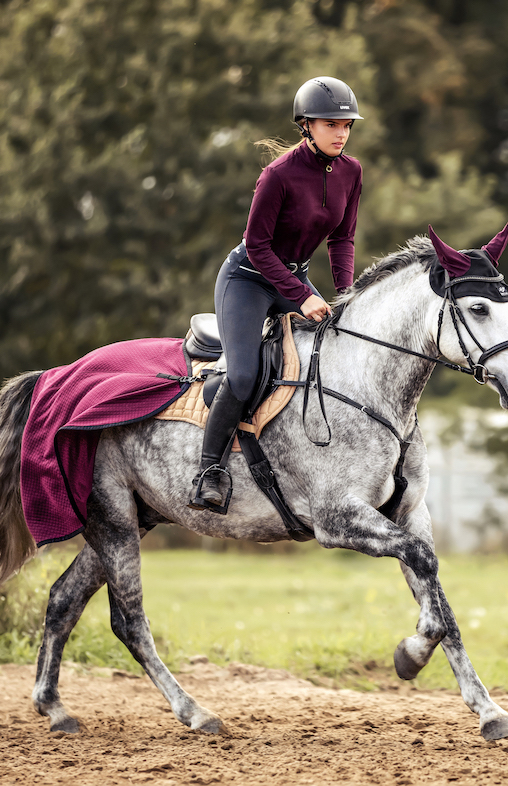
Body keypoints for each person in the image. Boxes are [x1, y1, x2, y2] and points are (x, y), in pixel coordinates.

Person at [189, 76, 364, 513]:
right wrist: (300, 296)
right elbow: (257, 246)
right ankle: (210, 470)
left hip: (294, 280)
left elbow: (342, 239)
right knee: (244, 375)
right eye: (331, 124)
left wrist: (346, 296)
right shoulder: (278, 175)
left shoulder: (352, 172)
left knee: (343, 345)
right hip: (247, 279)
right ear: (306, 125)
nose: (341, 132)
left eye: (347, 125)